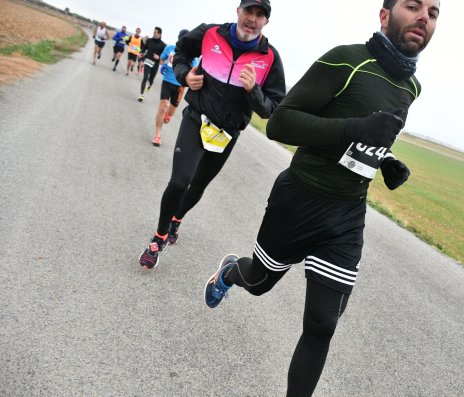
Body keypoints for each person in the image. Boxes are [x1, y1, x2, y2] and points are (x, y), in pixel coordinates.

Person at [203, 0, 441, 396]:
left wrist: (387, 161)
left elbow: (372, 133)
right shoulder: (346, 61)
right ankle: (230, 272)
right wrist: (358, 128)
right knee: (260, 283)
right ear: (384, 16)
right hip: (299, 199)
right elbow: (280, 122)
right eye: (413, 6)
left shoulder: (411, 86)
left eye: (433, 13)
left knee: (322, 325)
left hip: (347, 213)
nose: (423, 17)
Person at [138, 0, 285, 269]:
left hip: (227, 133)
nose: (252, 19)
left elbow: (271, 108)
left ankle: (176, 220)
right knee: (180, 181)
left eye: (259, 15)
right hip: (197, 118)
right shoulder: (210, 34)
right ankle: (158, 238)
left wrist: (254, 91)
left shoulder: (270, 58)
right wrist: (184, 75)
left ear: (266, 22)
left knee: (198, 186)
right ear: (238, 11)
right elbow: (181, 52)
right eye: (248, 11)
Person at [151, 29, 199, 147]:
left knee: (170, 112)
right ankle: (157, 135)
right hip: (167, 81)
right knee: (162, 108)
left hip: (180, 87)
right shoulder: (170, 48)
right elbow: (162, 59)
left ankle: (168, 115)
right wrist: (162, 65)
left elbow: (195, 70)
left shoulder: (192, 55)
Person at [137, 28, 166, 103]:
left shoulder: (163, 45)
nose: (154, 33)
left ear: (159, 34)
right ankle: (141, 94)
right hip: (147, 61)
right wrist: (141, 53)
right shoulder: (149, 40)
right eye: (153, 32)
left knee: (151, 80)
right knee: (145, 77)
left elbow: (164, 56)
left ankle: (150, 84)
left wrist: (159, 57)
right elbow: (144, 48)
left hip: (155, 64)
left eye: (155, 32)